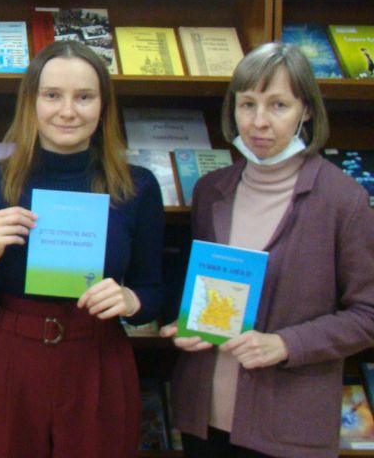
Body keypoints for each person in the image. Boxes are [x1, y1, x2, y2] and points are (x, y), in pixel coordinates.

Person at [160, 41, 374, 458]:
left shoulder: (342, 199)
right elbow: (203, 289)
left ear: (305, 110)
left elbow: (367, 315)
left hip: (287, 428)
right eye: (247, 104)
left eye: (278, 105)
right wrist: (182, 324)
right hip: (204, 419)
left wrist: (286, 344)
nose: (259, 122)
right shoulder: (211, 190)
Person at [0, 40, 164, 458]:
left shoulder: (137, 186)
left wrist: (130, 300)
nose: (68, 111)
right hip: (10, 363)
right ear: (31, 103)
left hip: (98, 359)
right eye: (52, 95)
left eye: (84, 97)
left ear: (103, 106)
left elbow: (155, 292)